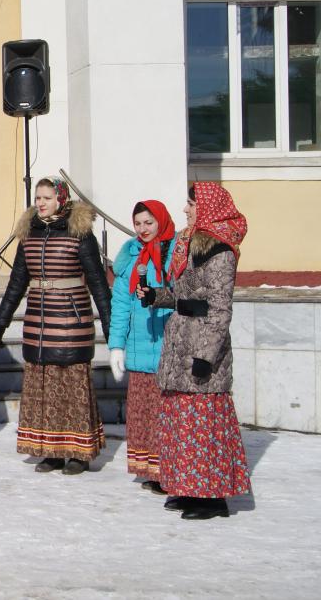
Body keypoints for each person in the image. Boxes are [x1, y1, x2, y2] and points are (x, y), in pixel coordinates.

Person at [140, 183, 251, 520]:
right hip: (180, 340)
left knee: (204, 423)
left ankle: (213, 497)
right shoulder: (189, 244)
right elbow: (184, 294)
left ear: (208, 207)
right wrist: (157, 295)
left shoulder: (221, 251)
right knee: (183, 421)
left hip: (201, 346)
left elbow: (219, 309)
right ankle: (189, 489)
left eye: (190, 204)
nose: (185, 209)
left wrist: (206, 356)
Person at [0, 176, 111, 475]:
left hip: (71, 319)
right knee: (43, 386)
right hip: (38, 319)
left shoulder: (80, 234)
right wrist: (2, 320)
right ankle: (52, 450)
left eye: (46, 197)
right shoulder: (29, 234)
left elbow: (97, 282)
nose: (40, 203)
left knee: (71, 385)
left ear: (61, 199)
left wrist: (111, 326)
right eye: (37, 198)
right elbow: (17, 280)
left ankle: (79, 453)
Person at [108, 200, 175, 494]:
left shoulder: (175, 253)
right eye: (138, 224)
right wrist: (116, 346)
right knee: (143, 415)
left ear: (160, 220)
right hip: (138, 346)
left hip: (166, 347)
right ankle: (149, 469)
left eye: (149, 222)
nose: (143, 229)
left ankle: (168, 470)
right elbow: (121, 304)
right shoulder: (131, 255)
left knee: (165, 414)